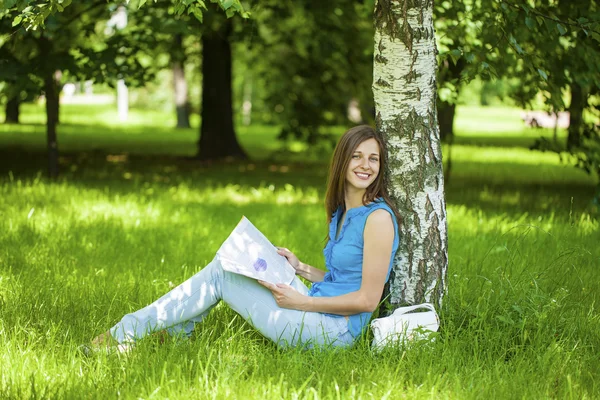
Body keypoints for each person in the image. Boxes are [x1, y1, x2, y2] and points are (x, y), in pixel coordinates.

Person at [91, 125, 400, 351]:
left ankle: (124, 334)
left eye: (373, 159)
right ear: (342, 160)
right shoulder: (342, 213)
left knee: (222, 273)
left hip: (335, 333)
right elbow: (342, 279)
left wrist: (302, 302)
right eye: (357, 156)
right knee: (229, 264)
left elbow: (367, 299)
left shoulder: (378, 219)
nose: (365, 165)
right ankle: (170, 334)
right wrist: (301, 268)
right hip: (318, 306)